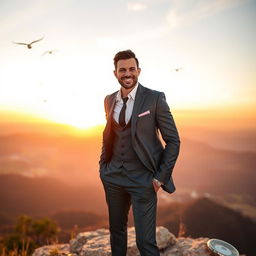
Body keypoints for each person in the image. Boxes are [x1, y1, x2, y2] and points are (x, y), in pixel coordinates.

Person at [99, 49, 180, 256]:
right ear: (115, 73)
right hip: (113, 177)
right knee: (116, 233)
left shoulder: (154, 98)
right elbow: (109, 135)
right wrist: (103, 168)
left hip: (143, 179)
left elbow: (173, 140)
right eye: (122, 70)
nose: (128, 74)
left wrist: (159, 178)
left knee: (146, 243)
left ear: (139, 71)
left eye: (132, 69)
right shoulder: (109, 100)